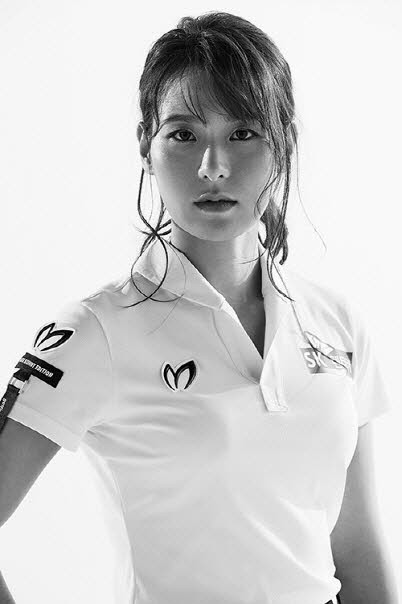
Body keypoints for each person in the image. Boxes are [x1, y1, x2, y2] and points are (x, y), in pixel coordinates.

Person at [0, 11, 397, 604]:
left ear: (284, 142)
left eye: (244, 132)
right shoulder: (95, 330)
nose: (214, 167)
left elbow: (357, 546)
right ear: (146, 144)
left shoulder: (335, 320)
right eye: (184, 135)